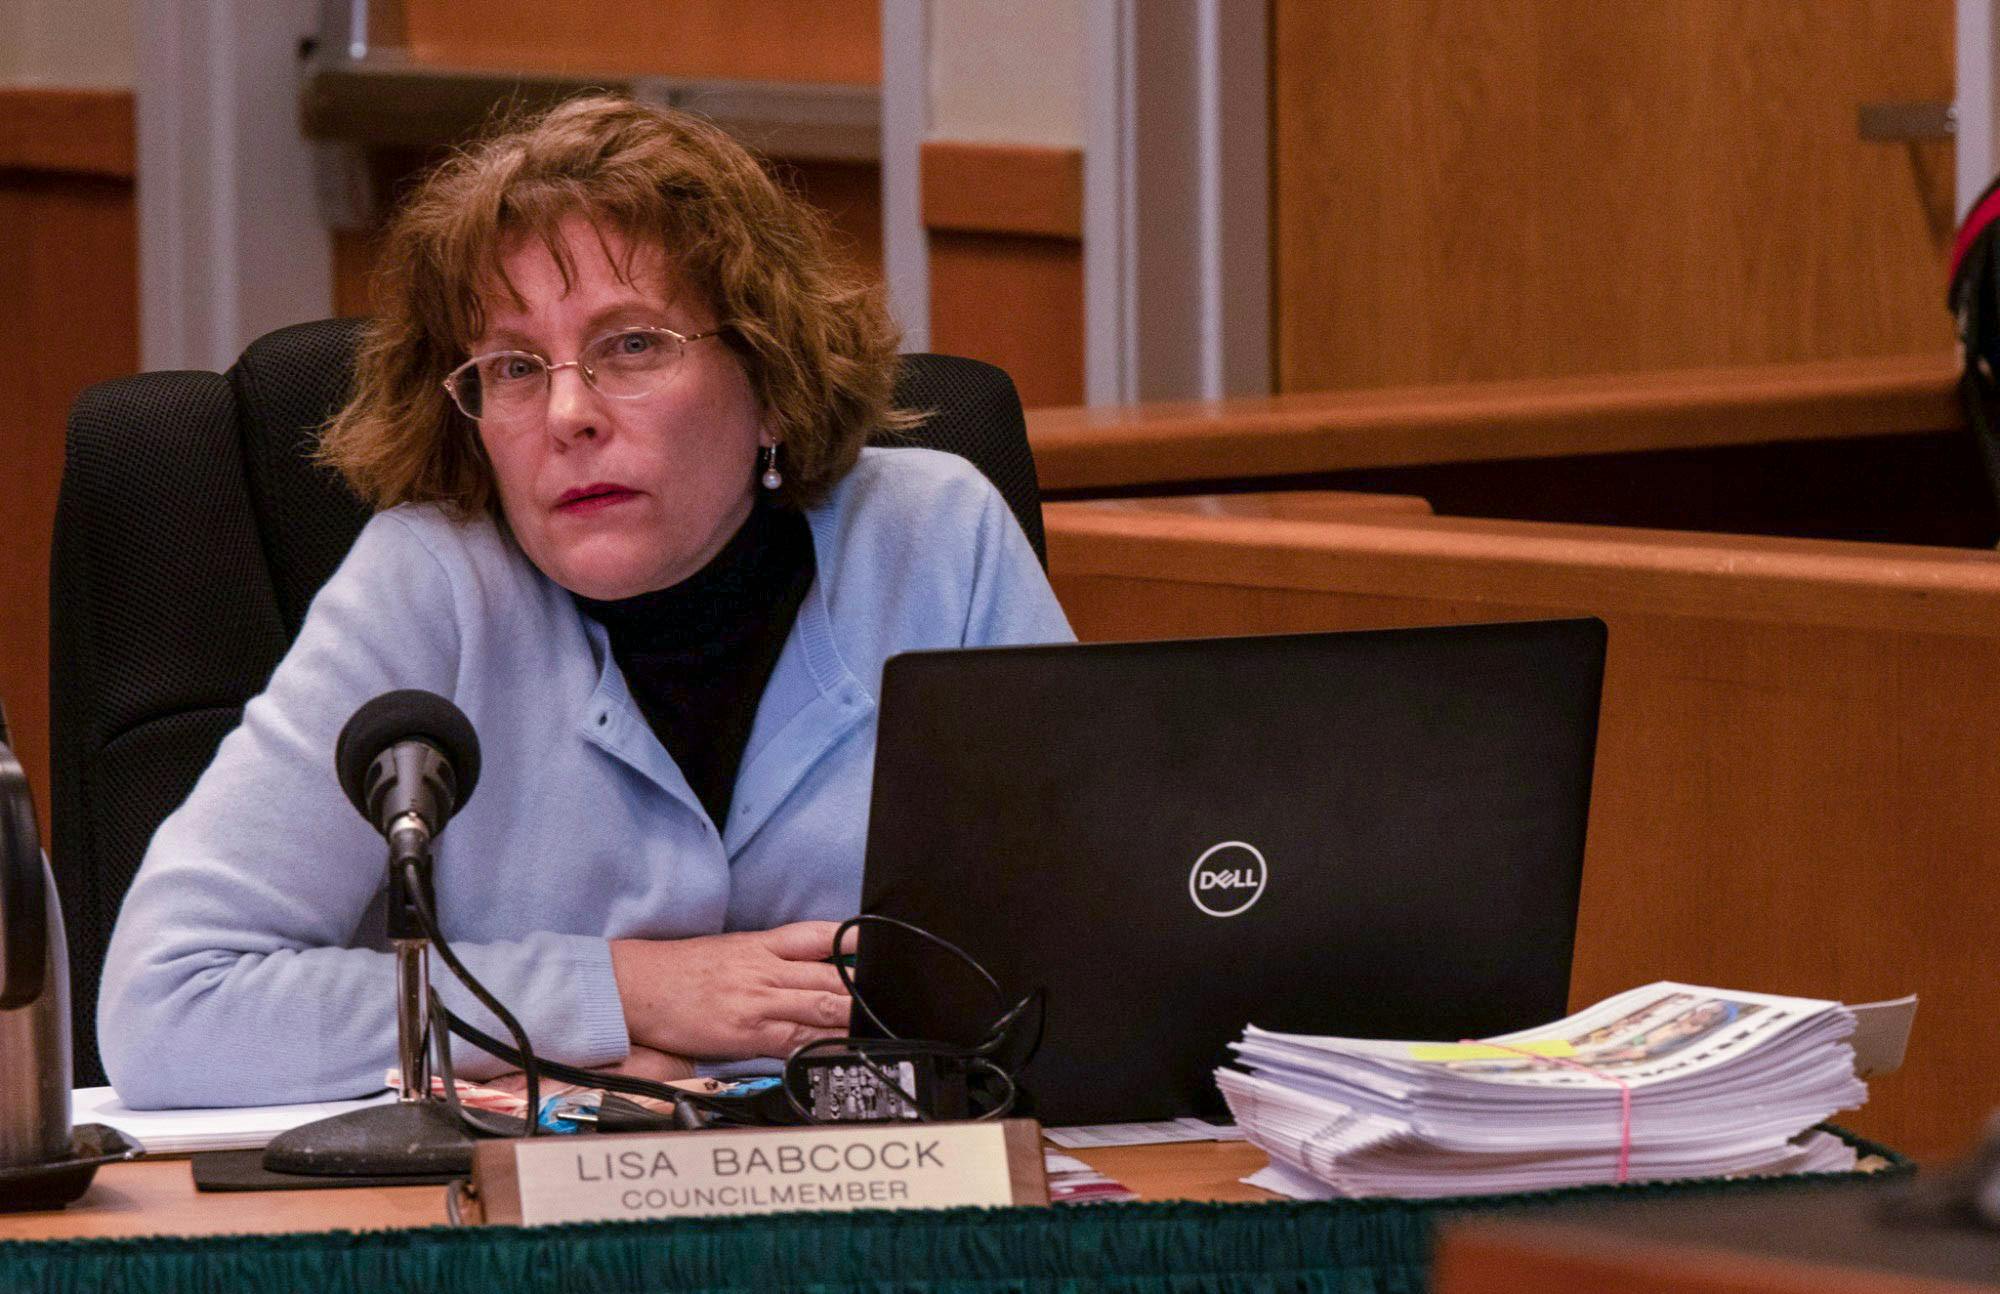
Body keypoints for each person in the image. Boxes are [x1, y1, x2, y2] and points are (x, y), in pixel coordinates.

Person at [97, 94, 1073, 1108]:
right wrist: (622, 992)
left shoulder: (935, 538)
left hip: (895, 1196)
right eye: (515, 367)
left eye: (632, 346)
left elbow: (1090, 948)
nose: (567, 414)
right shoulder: (427, 584)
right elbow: (167, 1004)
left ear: (771, 375)